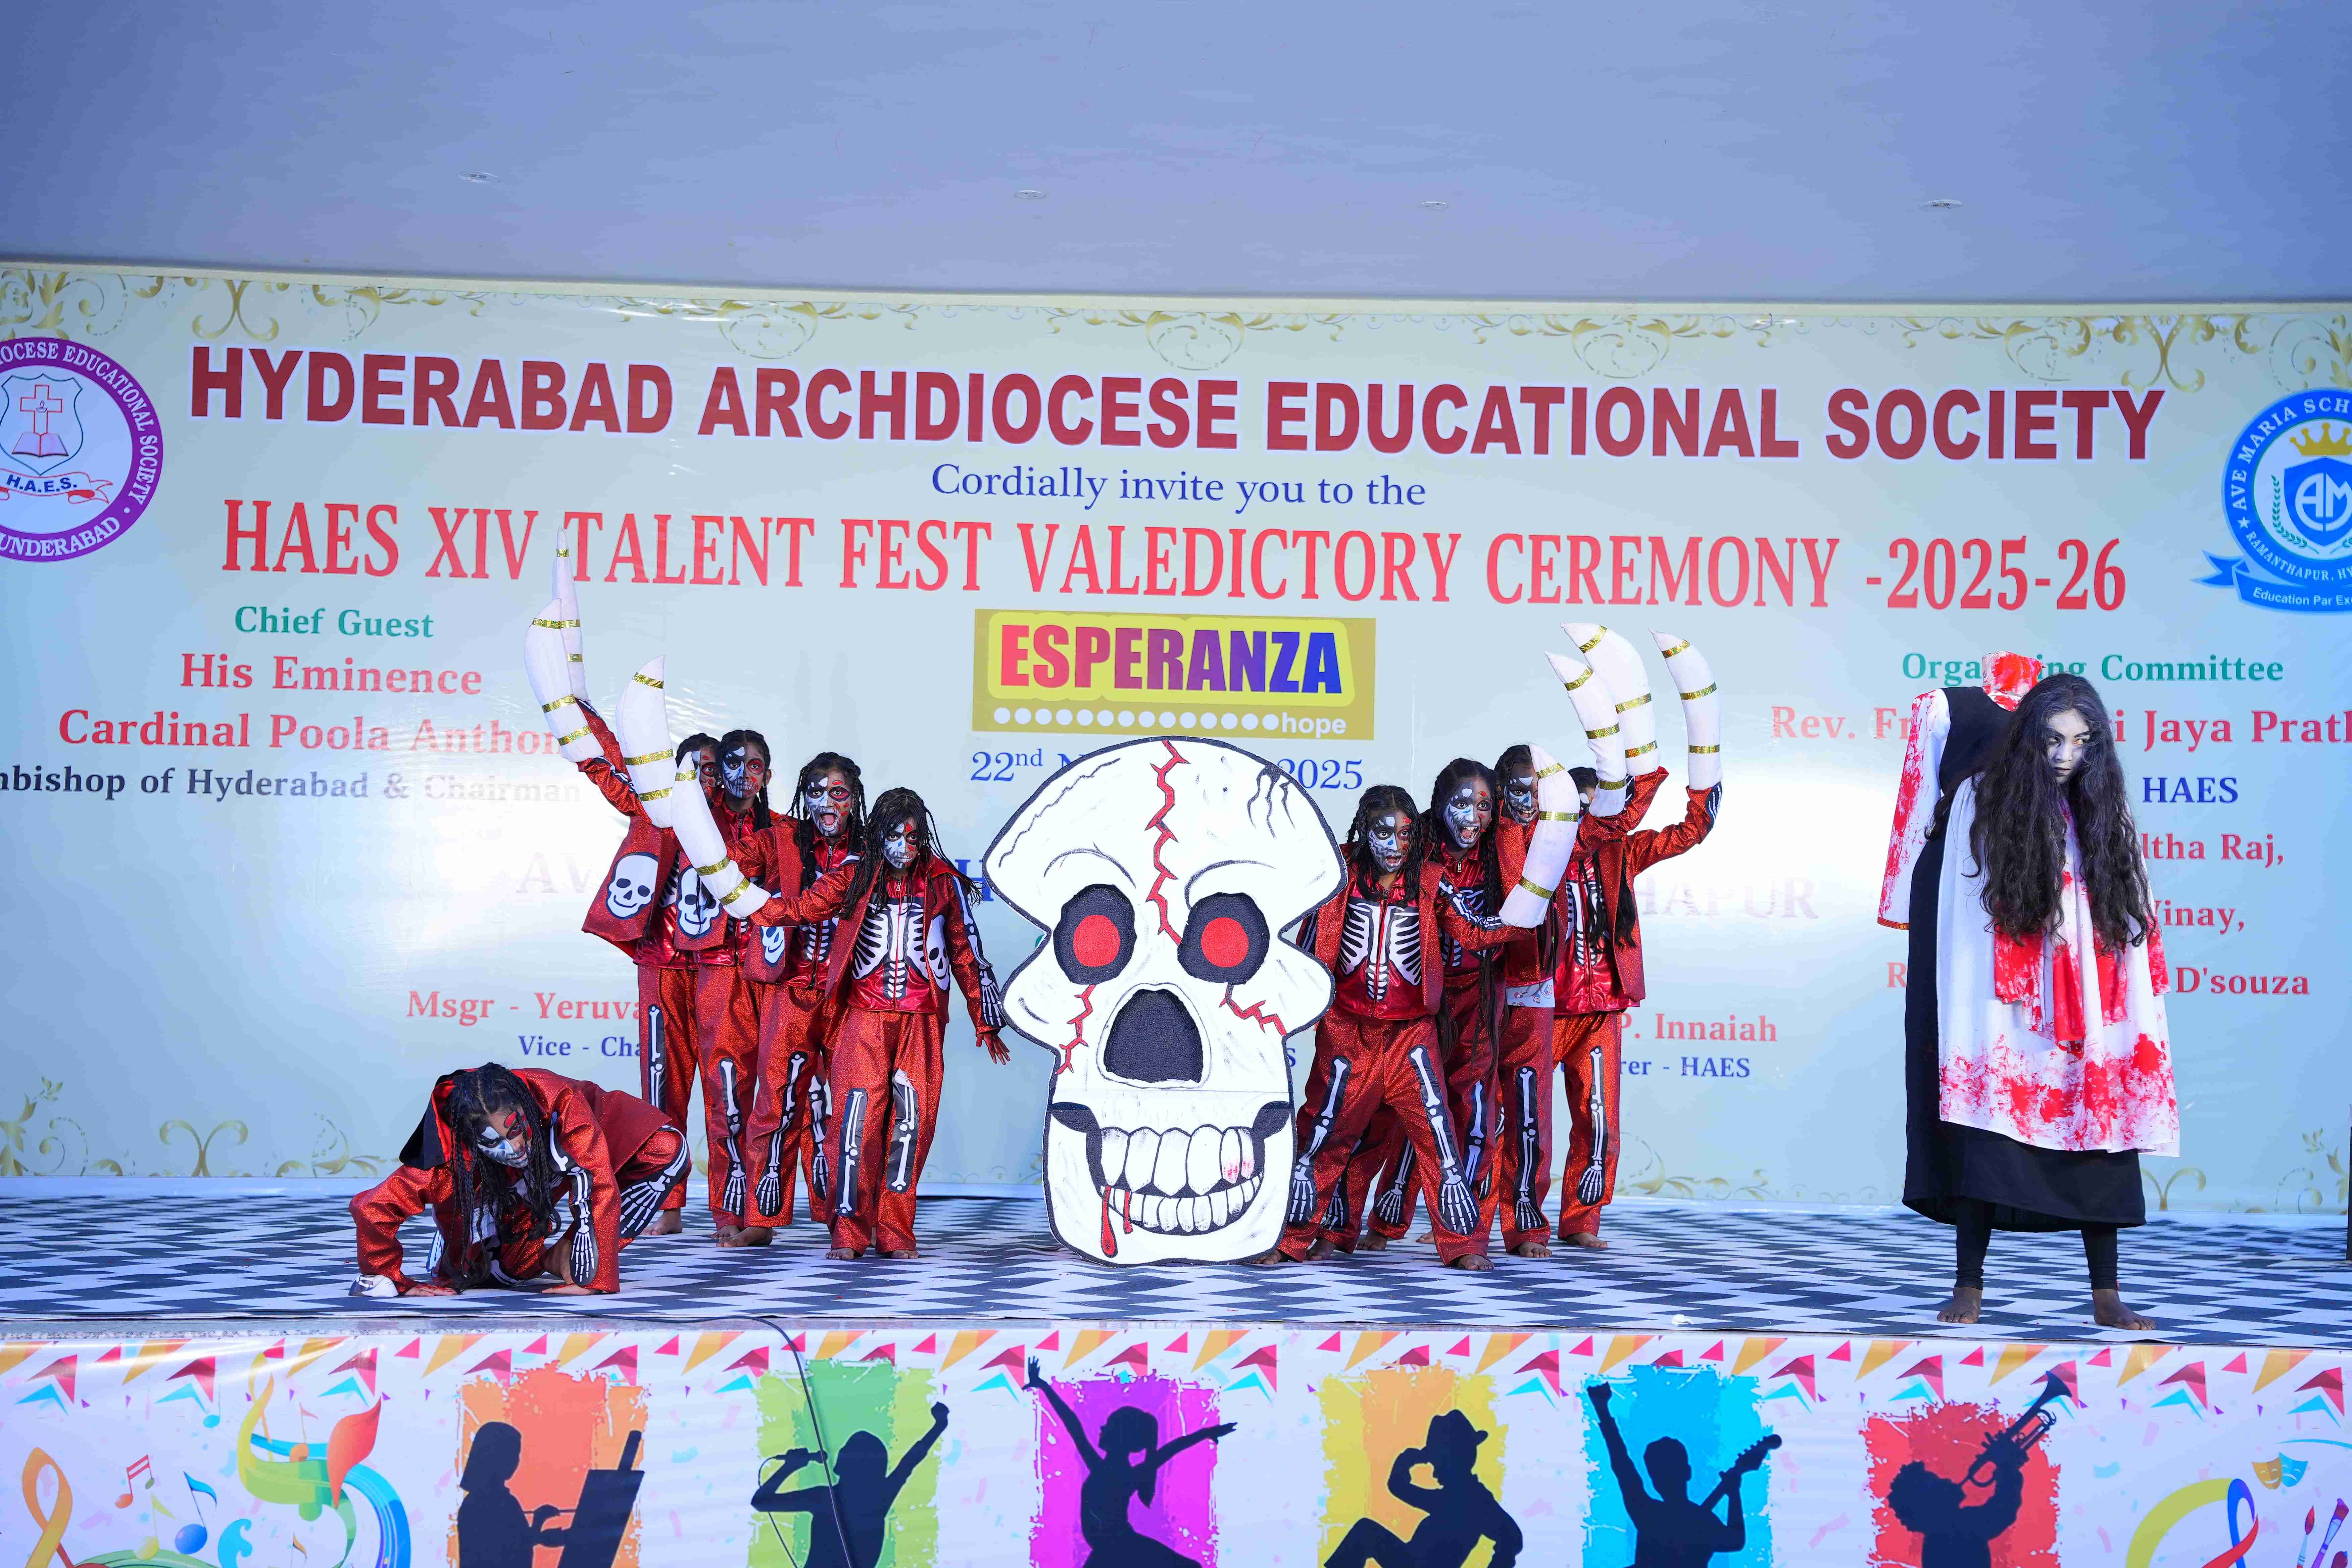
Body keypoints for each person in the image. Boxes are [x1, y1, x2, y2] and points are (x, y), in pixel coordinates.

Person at [1879, 665, 2176, 1328]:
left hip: (2089, 1001)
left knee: (2099, 1134)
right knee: (1986, 1128)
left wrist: (2123, 999)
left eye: (2082, 741)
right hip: (2004, 999)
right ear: (2028, 737)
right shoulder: (1980, 796)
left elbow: (2134, 910)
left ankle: (2106, 1292)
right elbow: (1961, 911)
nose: (2067, 755)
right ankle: (1968, 1283)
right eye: (2053, 739)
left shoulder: (2106, 806)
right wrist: (1980, 1002)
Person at [742, 788, 1011, 1260]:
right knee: (854, 1123)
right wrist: (741, 898)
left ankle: (895, 1231)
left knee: (912, 1126)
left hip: (921, 1020)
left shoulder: (942, 881)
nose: (904, 848)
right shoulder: (855, 876)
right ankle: (848, 1231)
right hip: (863, 1017)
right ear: (876, 836)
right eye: (894, 837)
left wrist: (984, 1018)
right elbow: (801, 909)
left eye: (913, 838)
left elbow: (966, 950)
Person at [1263, 785, 1513, 1271]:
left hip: (1410, 1036)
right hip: (1347, 1029)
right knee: (1322, 1134)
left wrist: (1528, 912)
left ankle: (1463, 1244)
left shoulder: (1431, 880)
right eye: (1384, 833)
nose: (1396, 845)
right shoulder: (1338, 874)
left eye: (1405, 834)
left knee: (1438, 1135)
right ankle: (1293, 1238)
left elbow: (1472, 931)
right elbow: (1306, 948)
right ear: (1364, 831)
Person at [1549, 757, 1719, 1251]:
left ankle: (1582, 1220)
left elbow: (1687, 833)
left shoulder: (1621, 852)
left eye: (1598, 810)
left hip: (1602, 1007)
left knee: (1599, 1120)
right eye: (1578, 810)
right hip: (1543, 1008)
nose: (1589, 821)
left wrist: (1705, 787)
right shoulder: (1537, 853)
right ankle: (1479, 1221)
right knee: (1509, 1118)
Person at [350, 1065, 687, 1295]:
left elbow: (596, 1181)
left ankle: (568, 1251)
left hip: (581, 1141)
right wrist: (389, 1278)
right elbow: (372, 1207)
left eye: (514, 1130)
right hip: (504, 1183)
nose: (514, 1148)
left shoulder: (561, 1103)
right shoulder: (451, 1158)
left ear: (527, 1111)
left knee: (668, 1148)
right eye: (494, 1141)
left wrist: (594, 1273)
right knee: (508, 1272)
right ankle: (467, 1227)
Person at [573, 721, 719, 1233]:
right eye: (692, 770)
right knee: (662, 1085)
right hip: (660, 964)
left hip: (719, 970)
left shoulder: (740, 826)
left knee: (727, 1091)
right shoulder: (654, 811)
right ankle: (668, 1206)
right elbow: (608, 767)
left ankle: (731, 1211)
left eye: (710, 771)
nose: (702, 780)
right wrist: (574, 715)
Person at [735, 752, 867, 1242]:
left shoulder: (873, 848)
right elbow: (724, 865)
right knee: (776, 1099)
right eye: (815, 792)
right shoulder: (782, 840)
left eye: (838, 792)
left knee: (852, 1103)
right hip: (790, 988)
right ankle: (761, 1218)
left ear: (854, 798)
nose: (826, 802)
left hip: (850, 993)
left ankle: (849, 1218)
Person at [692, 726, 778, 1245]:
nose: (743, 774)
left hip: (775, 974)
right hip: (719, 971)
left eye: (754, 765)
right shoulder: (694, 823)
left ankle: (761, 1217)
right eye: (732, 763)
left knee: (773, 1094)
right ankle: (728, 1212)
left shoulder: (786, 830)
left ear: (768, 774)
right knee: (726, 1091)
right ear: (717, 769)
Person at [1025, 1357, 1234, 1567]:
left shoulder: (1107, 1472)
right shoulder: (1121, 1473)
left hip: (1116, 1547)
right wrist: (1206, 1433)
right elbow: (1171, 1449)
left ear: (1121, 1437)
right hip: (1113, 1548)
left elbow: (1073, 1425)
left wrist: (1044, 1386)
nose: (1102, 1429)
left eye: (1109, 1426)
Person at [752, 1404, 950, 1568]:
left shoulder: (825, 1499)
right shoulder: (879, 1498)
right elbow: (910, 1461)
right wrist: (939, 1426)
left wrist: (790, 1467)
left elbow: (761, 1502)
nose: (841, 1451)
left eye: (847, 1449)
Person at [1587, 1382, 1763, 1567]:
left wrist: (1602, 1410)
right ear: (1688, 1473)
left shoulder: (1648, 1513)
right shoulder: (1703, 1522)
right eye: (1660, 1473)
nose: (1663, 1479)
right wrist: (1734, 1494)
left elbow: (1623, 1466)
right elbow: (1736, 1540)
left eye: (1663, 1473)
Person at [1323, 1410, 1521, 1568]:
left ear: (1453, 1459)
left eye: (1437, 1462)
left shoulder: (1471, 1499)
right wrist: (1407, 1461)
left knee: (1366, 1532)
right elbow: (1399, 1488)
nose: (1434, 1472)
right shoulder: (1459, 1496)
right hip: (1411, 1561)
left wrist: (1407, 1461)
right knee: (1366, 1531)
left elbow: (1512, 1539)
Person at [1885, 1436, 2028, 1568]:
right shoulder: (1955, 1529)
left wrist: (2007, 1466)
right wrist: (2007, 1466)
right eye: (1938, 1482)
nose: (1947, 1480)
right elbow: (2004, 1509)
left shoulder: (1939, 1537)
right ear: (1931, 1501)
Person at [455, 1421, 567, 1567]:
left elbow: (515, 1543)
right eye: (512, 1454)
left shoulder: (482, 1501)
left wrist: (539, 1526)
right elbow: (509, 1550)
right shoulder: (489, 1503)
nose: (517, 1461)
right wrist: (540, 1532)